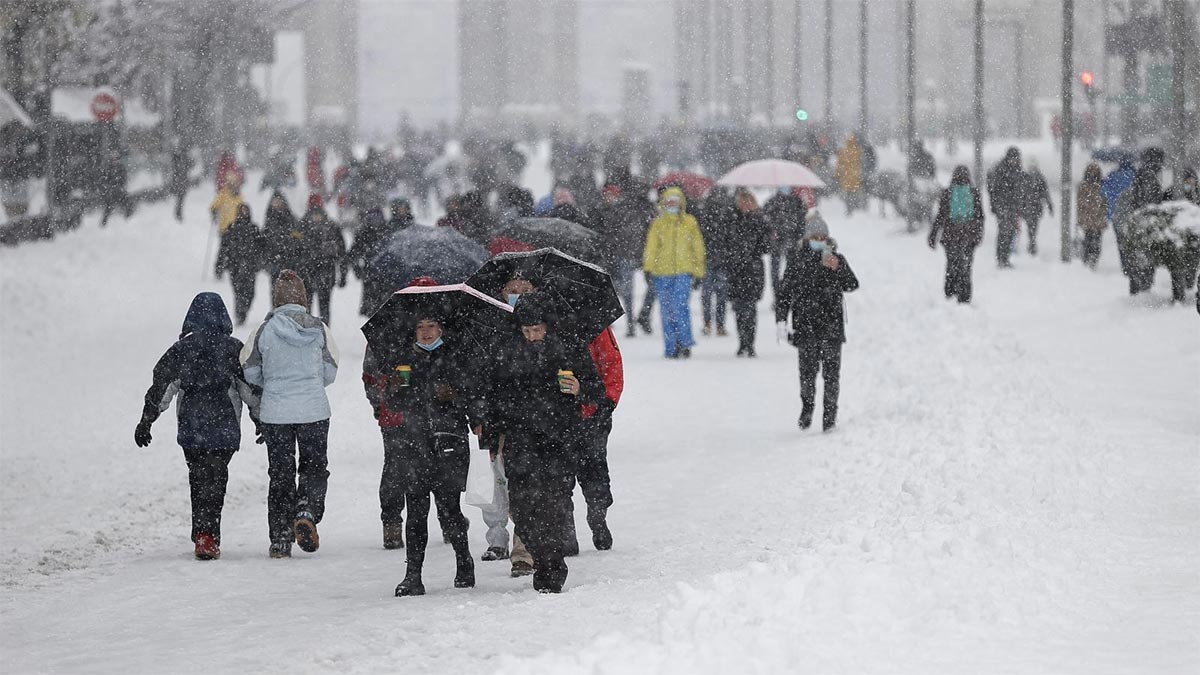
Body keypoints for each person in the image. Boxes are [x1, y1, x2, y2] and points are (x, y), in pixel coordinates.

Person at [487, 294, 603, 593]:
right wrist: (491, 437)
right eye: (526, 330)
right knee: (522, 509)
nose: (532, 336)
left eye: (537, 330)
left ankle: (551, 568)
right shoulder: (506, 352)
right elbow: (494, 395)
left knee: (552, 505)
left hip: (558, 440)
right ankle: (542, 557)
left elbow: (596, 389)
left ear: (548, 326)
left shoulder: (570, 348)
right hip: (519, 440)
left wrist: (579, 388)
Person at [134, 293, 260, 560]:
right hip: (225, 430)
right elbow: (249, 390)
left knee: (198, 478)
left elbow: (162, 387)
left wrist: (147, 420)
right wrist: (261, 421)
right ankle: (209, 534)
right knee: (217, 478)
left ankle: (202, 533)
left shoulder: (181, 350)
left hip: (192, 429)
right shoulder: (234, 350)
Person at [241, 271, 339, 558]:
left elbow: (250, 370)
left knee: (280, 474)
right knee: (314, 467)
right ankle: (307, 510)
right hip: (313, 411)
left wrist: (273, 382)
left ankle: (280, 538)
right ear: (304, 300)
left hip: (275, 413)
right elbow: (330, 372)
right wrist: (308, 382)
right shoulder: (319, 328)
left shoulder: (264, 330)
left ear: (276, 301)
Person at [389, 314, 483, 596]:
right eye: (419, 327)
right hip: (414, 444)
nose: (425, 332)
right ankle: (413, 575)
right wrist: (395, 389)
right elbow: (393, 403)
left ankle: (463, 561)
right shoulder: (404, 358)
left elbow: (474, 398)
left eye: (430, 326)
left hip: (448, 443)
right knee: (416, 512)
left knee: (449, 509)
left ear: (441, 329)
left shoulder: (457, 356)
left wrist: (455, 395)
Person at [775, 216, 859, 432]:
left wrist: (839, 268)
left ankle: (830, 417)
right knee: (807, 374)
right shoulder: (796, 260)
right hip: (806, 326)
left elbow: (852, 284)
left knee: (831, 375)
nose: (819, 241)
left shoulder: (836, 258)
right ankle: (807, 409)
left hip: (832, 326)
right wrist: (781, 319)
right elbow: (784, 293)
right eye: (815, 237)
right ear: (807, 238)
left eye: (823, 237)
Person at [563, 324, 623, 554]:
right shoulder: (544, 323)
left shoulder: (594, 323)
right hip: (557, 416)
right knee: (560, 478)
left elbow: (611, 363)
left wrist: (606, 402)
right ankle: (566, 531)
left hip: (593, 413)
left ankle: (598, 515)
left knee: (594, 472)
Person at [642, 187, 706, 359]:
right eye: (669, 202)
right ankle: (671, 346)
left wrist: (698, 271)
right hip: (662, 272)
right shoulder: (658, 223)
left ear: (681, 203)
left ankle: (684, 343)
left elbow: (697, 247)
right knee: (666, 310)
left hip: (684, 271)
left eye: (675, 202)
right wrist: (648, 268)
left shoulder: (689, 222)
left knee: (680, 306)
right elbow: (651, 247)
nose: (672, 205)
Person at [595, 183, 656, 337]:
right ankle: (635, 321)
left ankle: (633, 322)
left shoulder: (622, 210)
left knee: (631, 290)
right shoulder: (640, 209)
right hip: (632, 253)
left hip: (629, 253)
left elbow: (612, 234)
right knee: (630, 291)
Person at [928, 166, 985, 303]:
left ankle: (950, 292)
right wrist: (978, 235)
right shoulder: (974, 192)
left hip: (950, 235)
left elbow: (940, 216)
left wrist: (933, 235)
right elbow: (980, 216)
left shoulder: (947, 193)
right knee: (966, 266)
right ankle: (964, 296)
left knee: (952, 264)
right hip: (969, 236)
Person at [725, 189, 771, 357]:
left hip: (753, 269)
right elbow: (726, 242)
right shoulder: (732, 219)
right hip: (735, 270)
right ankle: (742, 342)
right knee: (738, 308)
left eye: (748, 202)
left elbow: (766, 246)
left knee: (750, 308)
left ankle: (749, 343)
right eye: (742, 202)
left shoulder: (760, 220)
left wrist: (759, 241)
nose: (745, 205)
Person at [298, 200, 348, 323]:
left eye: (318, 214)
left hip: (326, 272)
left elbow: (342, 253)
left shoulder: (332, 227)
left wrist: (343, 273)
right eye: (314, 214)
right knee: (306, 306)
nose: (316, 217)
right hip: (307, 272)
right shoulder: (302, 227)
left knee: (324, 306)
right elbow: (295, 250)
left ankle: (324, 329)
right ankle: (307, 329)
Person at [214, 203, 263, 325]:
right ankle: (240, 314)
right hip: (234, 265)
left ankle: (244, 310)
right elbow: (223, 248)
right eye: (241, 211)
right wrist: (220, 265)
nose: (244, 214)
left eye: (246, 211)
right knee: (238, 291)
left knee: (250, 292)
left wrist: (260, 263)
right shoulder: (232, 227)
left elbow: (261, 247)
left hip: (250, 266)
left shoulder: (254, 228)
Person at [696, 188, 734, 337]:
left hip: (710, 259)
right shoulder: (727, 215)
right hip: (720, 259)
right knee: (720, 295)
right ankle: (719, 324)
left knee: (708, 294)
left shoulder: (704, 214)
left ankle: (709, 323)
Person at [987, 147, 1024, 267]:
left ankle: (1005, 257)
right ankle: (1001, 258)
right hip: (1002, 206)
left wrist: (1020, 204)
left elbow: (1020, 188)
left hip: (1012, 206)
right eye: (1013, 158)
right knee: (1004, 231)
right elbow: (993, 189)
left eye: (1016, 159)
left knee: (1011, 232)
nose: (1014, 161)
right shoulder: (1001, 169)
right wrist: (995, 204)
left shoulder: (1017, 170)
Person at [1019, 159, 1053, 255]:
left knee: (1031, 226)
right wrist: (1049, 205)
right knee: (1033, 226)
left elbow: (1045, 193)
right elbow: (1045, 193)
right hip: (1033, 207)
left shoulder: (1027, 177)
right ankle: (1032, 242)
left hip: (1029, 207)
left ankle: (1032, 242)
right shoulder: (1038, 177)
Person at [262, 190, 300, 278]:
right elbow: (265, 240)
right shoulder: (269, 220)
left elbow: (298, 236)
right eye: (275, 201)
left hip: (289, 259)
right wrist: (267, 258)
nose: (277, 204)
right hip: (274, 259)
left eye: (279, 201)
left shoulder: (291, 218)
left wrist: (293, 248)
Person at [1076, 163, 1107, 270]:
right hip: (1096, 219)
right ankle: (1092, 259)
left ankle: (1089, 259)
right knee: (1094, 241)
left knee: (1090, 240)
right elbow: (1104, 203)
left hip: (1090, 219)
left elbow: (1080, 204)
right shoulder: (1101, 186)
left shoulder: (1084, 186)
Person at [833, 135, 865, 214]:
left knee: (848, 194)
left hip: (846, 176)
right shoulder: (857, 151)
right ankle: (856, 207)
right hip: (855, 176)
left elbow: (839, 165)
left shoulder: (843, 152)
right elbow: (862, 163)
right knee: (855, 193)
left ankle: (849, 208)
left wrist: (837, 174)